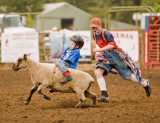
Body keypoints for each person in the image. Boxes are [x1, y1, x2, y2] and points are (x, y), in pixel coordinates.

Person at [90, 17, 151, 102]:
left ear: (100, 25)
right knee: (97, 72)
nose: (94, 28)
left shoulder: (106, 33)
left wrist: (98, 50)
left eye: (95, 26)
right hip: (106, 57)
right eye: (92, 27)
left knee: (127, 77)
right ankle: (104, 95)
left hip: (115, 56)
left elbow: (112, 45)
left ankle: (145, 83)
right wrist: (100, 53)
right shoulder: (94, 35)